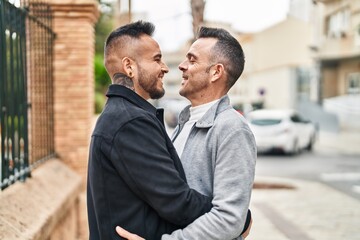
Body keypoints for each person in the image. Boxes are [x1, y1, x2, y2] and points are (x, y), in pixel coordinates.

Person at [117, 26, 256, 240]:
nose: (181, 66)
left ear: (216, 72)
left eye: (192, 60)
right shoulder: (184, 122)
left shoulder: (232, 129)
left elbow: (229, 218)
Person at [87, 20, 214, 240]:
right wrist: (237, 217)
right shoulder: (130, 122)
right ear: (129, 67)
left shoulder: (122, 115)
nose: (165, 68)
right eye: (157, 59)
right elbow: (176, 201)